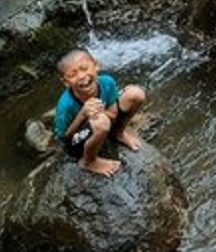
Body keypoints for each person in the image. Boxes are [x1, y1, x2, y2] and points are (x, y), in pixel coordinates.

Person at [52, 47, 147, 177]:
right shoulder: (65, 105)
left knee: (136, 94)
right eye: (72, 75)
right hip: (77, 140)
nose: (81, 76)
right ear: (65, 82)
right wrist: (82, 115)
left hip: (104, 122)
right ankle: (89, 161)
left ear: (96, 65)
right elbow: (63, 138)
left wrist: (100, 111)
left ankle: (118, 133)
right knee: (101, 121)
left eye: (84, 68)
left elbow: (113, 114)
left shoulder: (107, 82)